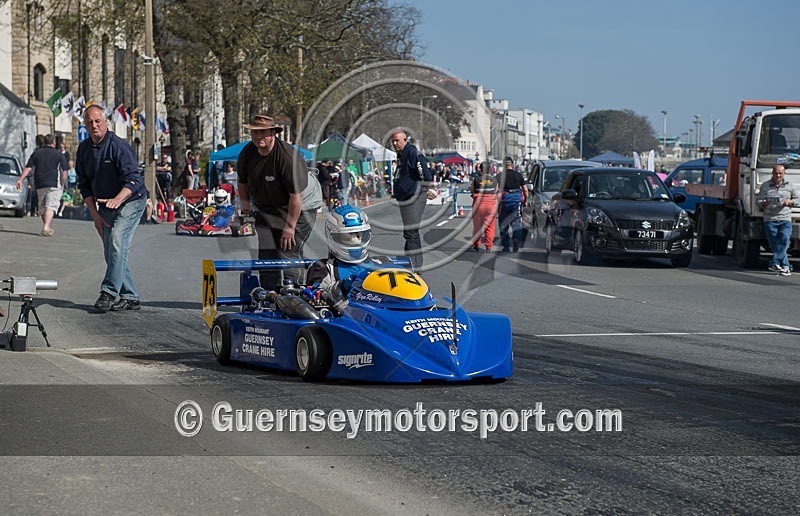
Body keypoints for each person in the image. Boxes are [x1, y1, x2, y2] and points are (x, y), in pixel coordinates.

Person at [75, 104, 147, 312]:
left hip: (131, 200)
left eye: (98, 121)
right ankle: (130, 296)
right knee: (112, 252)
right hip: (105, 205)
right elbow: (84, 186)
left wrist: (118, 198)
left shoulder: (119, 146)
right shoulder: (84, 150)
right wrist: (95, 216)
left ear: (106, 121)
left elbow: (133, 179)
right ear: (86, 125)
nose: (94, 125)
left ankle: (108, 292)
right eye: (90, 122)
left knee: (117, 239)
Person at [237, 114, 311, 290]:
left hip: (300, 205)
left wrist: (290, 227)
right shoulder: (247, 153)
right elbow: (242, 182)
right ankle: (271, 295)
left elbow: (296, 196)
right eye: (255, 133)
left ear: (273, 133)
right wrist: (246, 209)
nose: (259, 137)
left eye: (264, 133)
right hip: (267, 207)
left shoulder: (286, 157)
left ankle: (294, 294)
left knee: (288, 250)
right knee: (267, 252)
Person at [305, 205, 373, 314]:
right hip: (349, 320)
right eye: (348, 235)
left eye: (360, 233)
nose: (357, 239)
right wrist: (342, 287)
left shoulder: (382, 263)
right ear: (333, 236)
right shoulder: (323, 269)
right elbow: (314, 297)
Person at [390, 130, 437, 269]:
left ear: (405, 140)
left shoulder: (411, 153)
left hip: (414, 197)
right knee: (409, 232)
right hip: (405, 197)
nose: (394, 143)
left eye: (397, 141)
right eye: (393, 141)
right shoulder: (401, 155)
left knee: (411, 232)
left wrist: (425, 188)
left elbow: (424, 173)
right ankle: (410, 262)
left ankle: (414, 266)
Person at [16, 133, 68, 236]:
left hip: (40, 183)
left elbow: (28, 168)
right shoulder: (59, 155)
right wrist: (62, 184)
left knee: (43, 207)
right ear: (54, 143)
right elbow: (64, 172)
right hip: (54, 183)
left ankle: (47, 227)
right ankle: (46, 226)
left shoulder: (36, 153)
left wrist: (20, 179)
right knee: (50, 205)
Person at [757, 164, 798, 276]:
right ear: (772, 173)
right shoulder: (765, 186)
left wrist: (790, 202)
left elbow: (798, 200)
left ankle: (775, 262)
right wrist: (763, 203)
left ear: (784, 174)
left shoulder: (790, 186)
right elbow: (759, 201)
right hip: (770, 219)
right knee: (775, 243)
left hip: (785, 218)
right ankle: (786, 266)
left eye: (780, 173)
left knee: (784, 240)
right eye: (776, 173)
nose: (778, 175)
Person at [496, 157, 527, 253]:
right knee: (516, 224)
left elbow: (496, 191)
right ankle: (516, 245)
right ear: (512, 165)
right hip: (516, 203)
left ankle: (506, 246)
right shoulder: (518, 175)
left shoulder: (499, 176)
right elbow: (525, 189)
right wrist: (525, 200)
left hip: (504, 202)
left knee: (503, 225)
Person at [470, 161, 499, 252]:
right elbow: (496, 191)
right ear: (490, 169)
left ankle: (476, 245)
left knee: (477, 226)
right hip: (491, 205)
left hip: (479, 205)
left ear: (480, 169)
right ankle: (488, 247)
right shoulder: (494, 180)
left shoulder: (476, 179)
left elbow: (472, 190)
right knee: (490, 227)